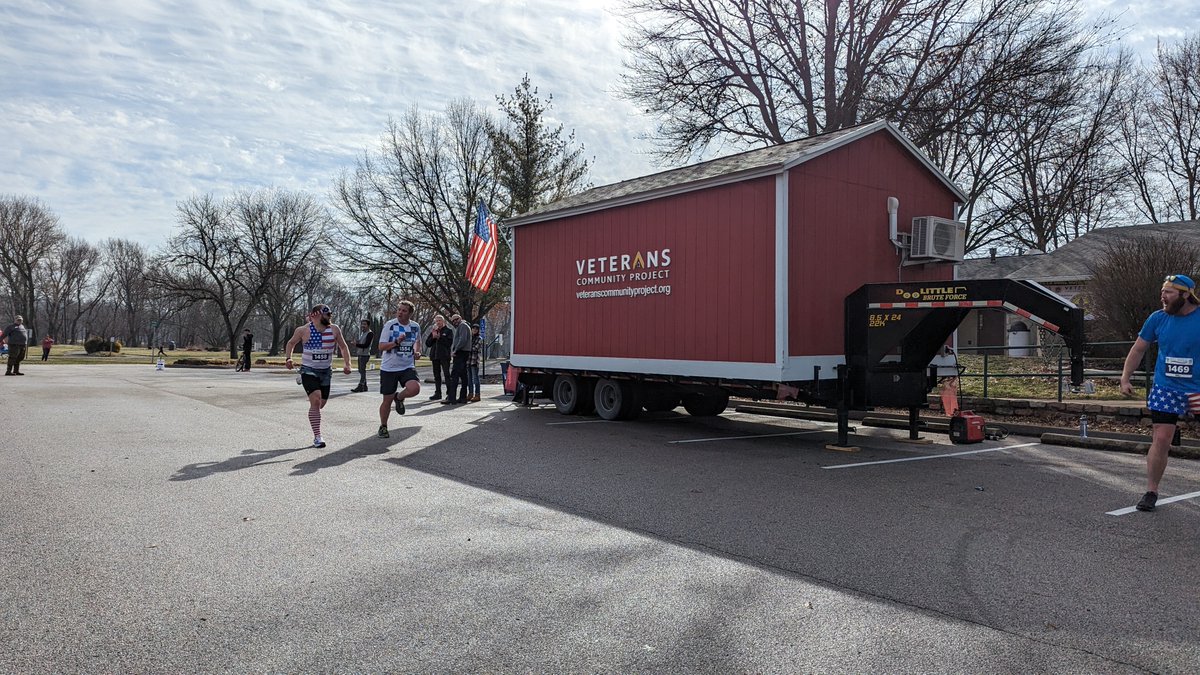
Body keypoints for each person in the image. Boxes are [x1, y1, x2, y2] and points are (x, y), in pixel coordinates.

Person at [1119, 273, 1200, 512]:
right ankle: (1151, 491)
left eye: (1169, 293)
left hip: (1197, 389)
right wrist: (1125, 378)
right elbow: (1138, 349)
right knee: (1161, 438)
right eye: (1162, 292)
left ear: (1186, 295)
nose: (1163, 297)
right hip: (1167, 388)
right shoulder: (1158, 318)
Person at [284, 304, 352, 448]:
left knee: (321, 403)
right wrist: (288, 359)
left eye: (329, 315)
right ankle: (317, 437)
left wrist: (348, 364)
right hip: (309, 370)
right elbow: (290, 343)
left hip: (326, 371)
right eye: (325, 314)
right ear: (315, 315)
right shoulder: (303, 330)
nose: (328, 317)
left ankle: (314, 415)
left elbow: (343, 346)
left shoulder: (334, 329)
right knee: (315, 401)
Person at [376, 300, 422, 438]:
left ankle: (399, 397)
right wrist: (396, 342)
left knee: (415, 388)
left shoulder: (415, 326)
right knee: (387, 400)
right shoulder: (390, 325)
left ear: (410, 313)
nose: (400, 313)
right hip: (389, 368)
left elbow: (417, 342)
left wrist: (417, 351)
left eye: (404, 311)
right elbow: (381, 346)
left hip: (407, 366)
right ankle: (383, 426)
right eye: (399, 310)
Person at [443, 313, 472, 404]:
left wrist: (455, 350)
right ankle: (462, 397)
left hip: (461, 353)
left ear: (460, 318)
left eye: (456, 319)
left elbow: (462, 340)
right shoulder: (461, 326)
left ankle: (451, 398)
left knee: (454, 375)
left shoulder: (463, 326)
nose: (455, 321)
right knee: (463, 375)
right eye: (453, 320)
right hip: (463, 352)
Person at [424, 315, 453, 400]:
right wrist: (433, 337)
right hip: (435, 356)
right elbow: (428, 344)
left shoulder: (448, 331)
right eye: (436, 321)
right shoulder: (434, 331)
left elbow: (449, 343)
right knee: (436, 375)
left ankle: (449, 393)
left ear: (443, 321)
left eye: (439, 320)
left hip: (444, 356)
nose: (438, 322)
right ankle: (438, 393)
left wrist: (440, 338)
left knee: (447, 374)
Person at [351, 318, 374, 393]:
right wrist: (356, 342)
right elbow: (361, 342)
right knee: (361, 370)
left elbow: (366, 345)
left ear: (368, 325)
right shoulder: (362, 333)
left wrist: (356, 344)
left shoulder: (370, 334)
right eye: (362, 324)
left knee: (362, 370)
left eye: (364, 324)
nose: (363, 326)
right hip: (360, 354)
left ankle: (361, 385)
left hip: (365, 355)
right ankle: (365, 386)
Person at [466, 323, 483, 403]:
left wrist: (467, 348)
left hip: (474, 361)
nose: (474, 330)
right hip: (468, 361)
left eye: (476, 329)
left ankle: (477, 394)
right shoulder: (469, 338)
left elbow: (475, 348)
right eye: (473, 329)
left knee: (475, 378)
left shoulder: (479, 338)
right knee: (469, 379)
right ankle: (470, 393)